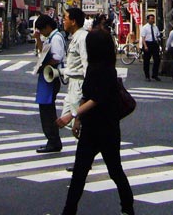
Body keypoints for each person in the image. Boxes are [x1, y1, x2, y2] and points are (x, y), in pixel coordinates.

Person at [56, 29, 135, 215]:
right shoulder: (96, 67)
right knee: (86, 173)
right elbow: (87, 95)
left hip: (103, 127)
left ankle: (127, 206)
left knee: (108, 171)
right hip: (98, 127)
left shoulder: (105, 70)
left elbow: (96, 98)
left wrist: (72, 115)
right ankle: (69, 211)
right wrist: (78, 121)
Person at [34, 15, 66, 152]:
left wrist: (43, 64)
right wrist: (37, 39)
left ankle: (53, 141)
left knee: (47, 110)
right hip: (47, 76)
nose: (41, 33)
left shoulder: (56, 38)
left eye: (41, 30)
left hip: (51, 77)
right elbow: (42, 52)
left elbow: (57, 58)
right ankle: (52, 140)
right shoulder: (50, 37)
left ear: (48, 27)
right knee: (46, 109)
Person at [139, 13, 162, 81]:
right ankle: (147, 76)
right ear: (148, 20)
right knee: (146, 61)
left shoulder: (155, 27)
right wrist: (145, 46)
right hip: (147, 43)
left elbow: (157, 35)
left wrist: (158, 41)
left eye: (153, 18)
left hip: (154, 44)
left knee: (157, 59)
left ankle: (155, 74)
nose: (153, 20)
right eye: (151, 19)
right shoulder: (145, 27)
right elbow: (143, 38)